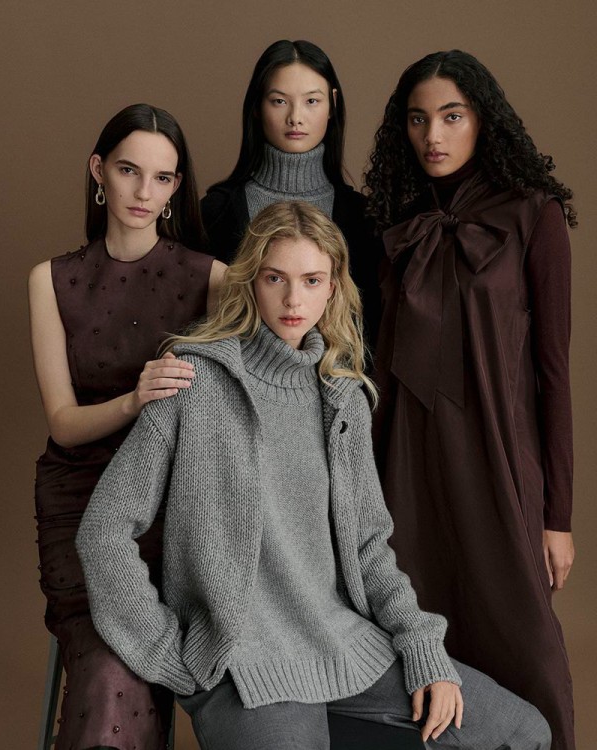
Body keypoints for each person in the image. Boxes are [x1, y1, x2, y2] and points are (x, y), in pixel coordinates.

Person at [77, 201, 551, 750]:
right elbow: (104, 530)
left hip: (341, 644)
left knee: (524, 733)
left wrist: (422, 644)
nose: (293, 300)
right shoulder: (193, 381)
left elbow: (369, 548)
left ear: (334, 289)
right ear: (250, 281)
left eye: (311, 280)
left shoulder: (342, 397)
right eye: (275, 278)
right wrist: (165, 650)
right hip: (241, 664)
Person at [365, 49, 575, 750]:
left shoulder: (534, 215)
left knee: (524, 646)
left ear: (483, 120)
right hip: (406, 461)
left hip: (499, 458)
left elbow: (554, 373)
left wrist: (558, 517)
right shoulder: (394, 219)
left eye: (451, 117)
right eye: (418, 119)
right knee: (418, 655)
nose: (434, 136)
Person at [29, 103, 226, 750]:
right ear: (98, 171)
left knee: (139, 650)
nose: (144, 192)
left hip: (174, 505)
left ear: (176, 187)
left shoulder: (213, 279)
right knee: (108, 659)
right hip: (78, 496)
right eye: (128, 170)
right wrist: (136, 399)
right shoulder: (51, 280)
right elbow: (63, 425)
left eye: (162, 178)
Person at [201, 38, 381, 341]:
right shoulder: (217, 211)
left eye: (311, 101)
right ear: (257, 106)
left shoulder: (362, 216)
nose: (295, 117)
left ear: (332, 104)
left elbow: (368, 330)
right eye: (279, 101)